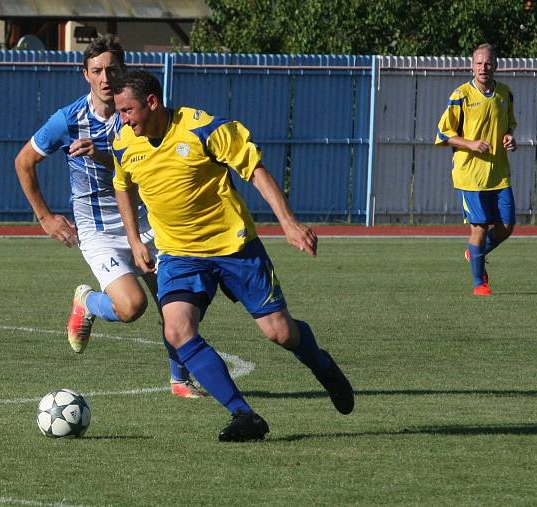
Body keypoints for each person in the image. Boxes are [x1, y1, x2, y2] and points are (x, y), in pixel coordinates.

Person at [110, 70, 354, 442]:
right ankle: (244, 415)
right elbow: (123, 186)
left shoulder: (202, 128)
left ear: (152, 103)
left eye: (127, 111)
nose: (123, 120)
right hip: (179, 254)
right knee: (175, 329)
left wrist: (288, 223)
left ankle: (322, 365)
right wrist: (135, 240)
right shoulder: (124, 143)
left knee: (281, 333)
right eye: (119, 113)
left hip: (234, 248)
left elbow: (254, 170)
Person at [14, 35, 204, 399]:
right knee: (132, 307)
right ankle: (87, 301)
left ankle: (179, 379)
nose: (105, 78)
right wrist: (46, 218)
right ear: (85, 74)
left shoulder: (138, 112)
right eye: (97, 70)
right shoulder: (67, 120)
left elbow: (142, 163)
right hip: (99, 230)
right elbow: (23, 162)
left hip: (145, 222)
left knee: (177, 305)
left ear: (124, 71)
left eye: (112, 69)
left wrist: (101, 155)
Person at [435, 43, 518, 296]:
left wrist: (509, 137)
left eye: (488, 62)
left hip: (498, 173)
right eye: (479, 63)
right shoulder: (460, 95)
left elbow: (509, 126)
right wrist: (470, 143)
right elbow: (443, 133)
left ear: (496, 65)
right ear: (472, 66)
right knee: (479, 227)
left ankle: (474, 253)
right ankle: (479, 283)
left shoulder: (505, 94)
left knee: (507, 226)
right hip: (470, 175)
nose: (484, 67)